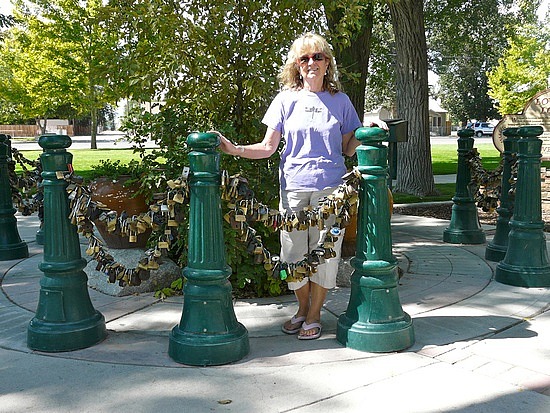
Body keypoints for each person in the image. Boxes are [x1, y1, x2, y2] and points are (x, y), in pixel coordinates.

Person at [215, 32, 362, 340]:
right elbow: (268, 147)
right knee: (293, 253)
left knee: (326, 252)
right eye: (304, 58)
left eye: (317, 57)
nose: (311, 63)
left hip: (331, 192)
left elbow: (349, 148)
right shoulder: (285, 100)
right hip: (293, 188)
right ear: (297, 65)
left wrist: (369, 127)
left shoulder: (341, 101)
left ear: (327, 63)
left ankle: (314, 314)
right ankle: (301, 309)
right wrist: (235, 149)